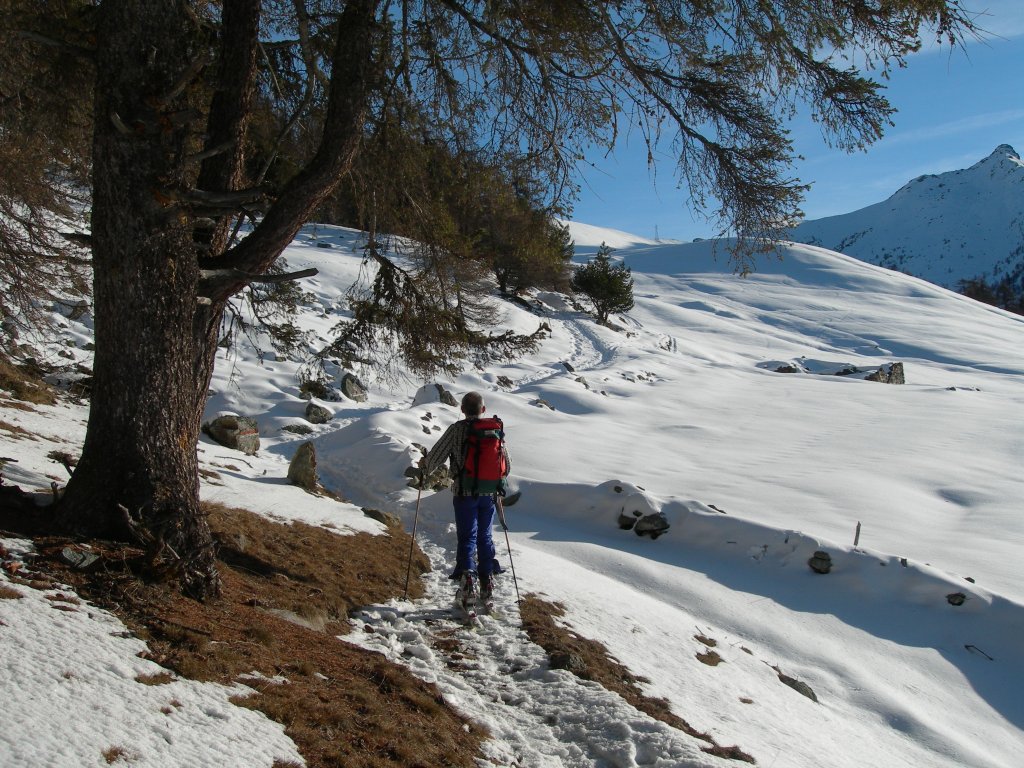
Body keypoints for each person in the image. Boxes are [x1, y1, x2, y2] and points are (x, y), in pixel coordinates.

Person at [419, 391, 510, 605]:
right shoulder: (494, 430)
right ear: (483, 410)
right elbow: (506, 464)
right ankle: (487, 581)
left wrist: (425, 468)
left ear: (462, 410)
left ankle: (468, 580)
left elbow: (436, 457)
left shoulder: (456, 429)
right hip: (488, 494)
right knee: (485, 536)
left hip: (463, 492)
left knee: (467, 536)